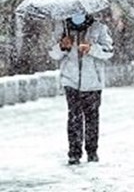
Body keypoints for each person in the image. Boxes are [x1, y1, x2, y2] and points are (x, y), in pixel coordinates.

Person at [48, 12, 114, 165]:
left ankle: (92, 152)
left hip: (93, 82)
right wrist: (62, 46)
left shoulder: (99, 28)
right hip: (70, 81)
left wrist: (92, 48)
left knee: (92, 118)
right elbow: (53, 53)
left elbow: (109, 51)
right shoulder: (62, 28)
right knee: (74, 117)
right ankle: (74, 153)